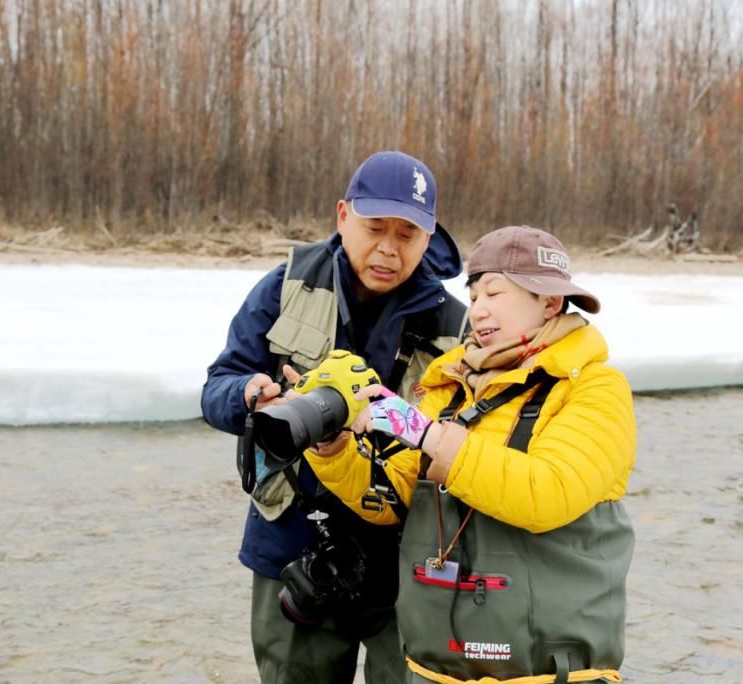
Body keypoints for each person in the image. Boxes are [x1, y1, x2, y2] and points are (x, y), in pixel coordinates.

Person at [305, 225, 637, 683]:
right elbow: (395, 499)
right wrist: (335, 449)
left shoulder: (594, 388)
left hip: (547, 676)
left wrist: (428, 435)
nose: (478, 310)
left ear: (550, 302)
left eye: (495, 293)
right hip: (435, 670)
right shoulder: (450, 388)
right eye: (475, 295)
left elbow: (547, 494)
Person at [201, 151, 467, 684]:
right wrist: (251, 396)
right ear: (343, 215)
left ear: (430, 234)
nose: (388, 249)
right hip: (294, 550)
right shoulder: (286, 286)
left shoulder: (454, 325)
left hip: (405, 559)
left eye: (407, 235)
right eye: (374, 228)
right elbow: (217, 387)